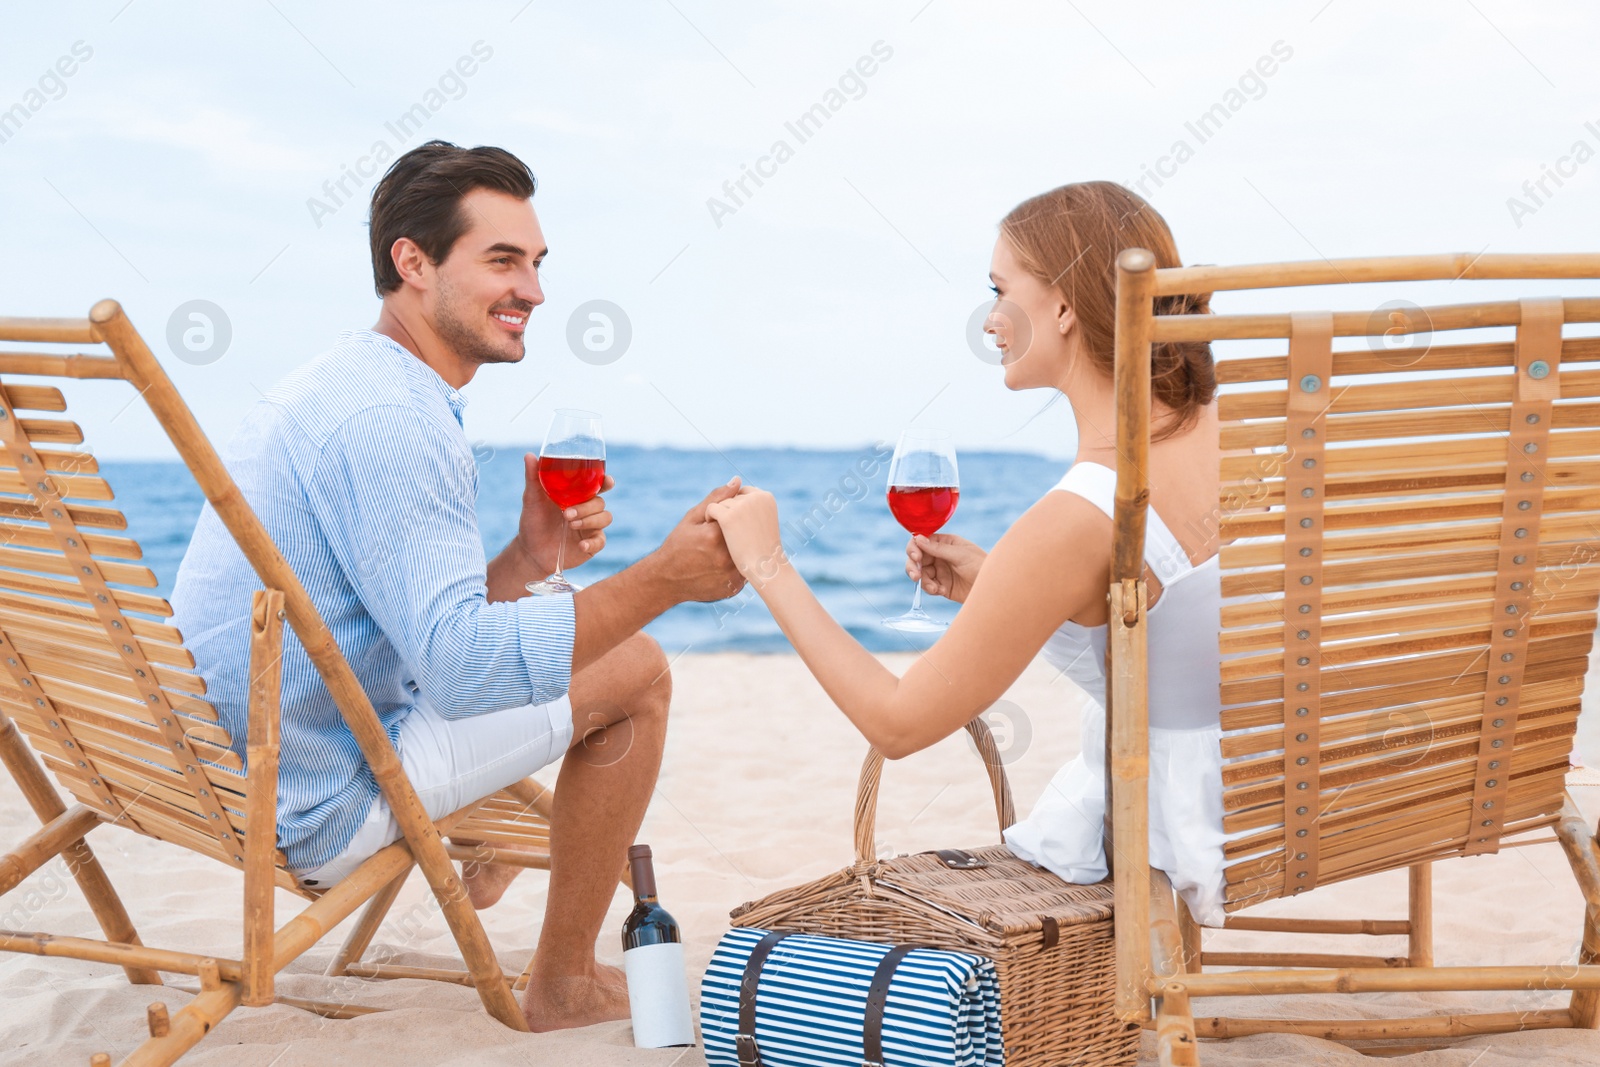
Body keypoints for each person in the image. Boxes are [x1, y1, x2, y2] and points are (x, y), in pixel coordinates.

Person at [171, 140, 746, 1030]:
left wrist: (522, 559)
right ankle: (562, 982)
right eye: (502, 260)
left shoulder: (336, 383)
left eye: (538, 263)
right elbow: (461, 674)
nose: (535, 291)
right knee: (639, 671)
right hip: (315, 803)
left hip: (214, 775)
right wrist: (667, 577)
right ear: (412, 261)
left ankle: (488, 844)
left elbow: (410, 631)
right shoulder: (398, 419)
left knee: (554, 645)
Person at [704, 181, 1234, 924]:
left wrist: (767, 562)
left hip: (1185, 836)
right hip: (1274, 796)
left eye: (1000, 289)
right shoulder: (1237, 429)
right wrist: (1008, 587)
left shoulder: (1080, 516)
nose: (990, 320)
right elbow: (1173, 624)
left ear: (1061, 306)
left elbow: (898, 723)